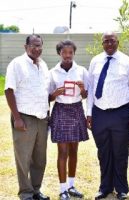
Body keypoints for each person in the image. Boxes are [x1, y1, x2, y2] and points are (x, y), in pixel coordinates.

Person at [86, 31, 129, 200]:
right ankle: (105, 188)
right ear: (102, 44)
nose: (109, 44)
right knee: (103, 152)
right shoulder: (95, 61)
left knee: (120, 152)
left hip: (121, 113)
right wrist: (89, 113)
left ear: (118, 42)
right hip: (99, 113)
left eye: (112, 41)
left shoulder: (127, 62)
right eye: (106, 41)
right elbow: (90, 89)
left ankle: (122, 189)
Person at [4, 34, 50, 200]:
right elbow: (9, 90)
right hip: (24, 117)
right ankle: (26, 193)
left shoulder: (43, 65)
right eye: (33, 46)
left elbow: (45, 92)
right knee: (23, 157)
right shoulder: (17, 64)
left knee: (40, 158)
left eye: (39, 46)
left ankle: (36, 190)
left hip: (42, 118)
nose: (37, 49)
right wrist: (17, 118)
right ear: (26, 47)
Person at [48, 40, 89, 200]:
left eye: (70, 53)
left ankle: (72, 186)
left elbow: (86, 95)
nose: (67, 56)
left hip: (77, 110)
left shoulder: (81, 71)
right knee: (62, 152)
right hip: (61, 111)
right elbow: (48, 98)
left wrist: (83, 89)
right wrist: (55, 94)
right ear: (59, 53)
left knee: (74, 151)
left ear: (73, 53)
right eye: (64, 53)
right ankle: (62, 188)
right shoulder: (53, 73)